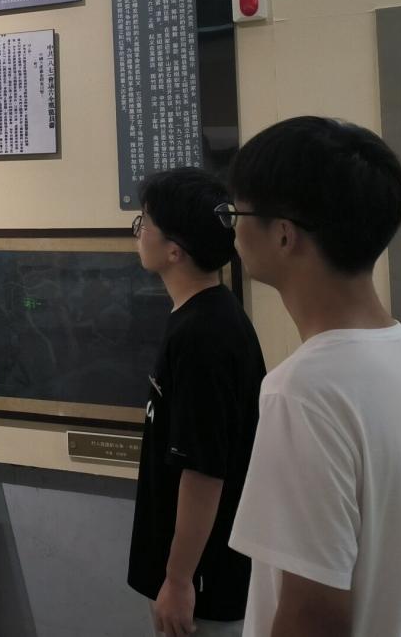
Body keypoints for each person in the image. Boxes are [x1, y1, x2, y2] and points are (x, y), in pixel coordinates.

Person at [224, 117, 401, 637]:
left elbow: (313, 614)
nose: (234, 230)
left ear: (284, 234)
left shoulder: (302, 391)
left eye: (237, 214)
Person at [127, 167, 266, 637]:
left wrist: (179, 579)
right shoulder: (203, 314)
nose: (138, 231)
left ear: (175, 250)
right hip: (194, 571)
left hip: (203, 581)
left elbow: (204, 470)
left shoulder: (204, 334)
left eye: (145, 222)